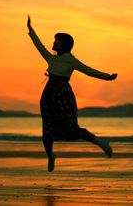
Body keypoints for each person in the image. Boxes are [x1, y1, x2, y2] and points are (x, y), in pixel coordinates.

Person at [27, 15, 118, 172]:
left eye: (57, 40)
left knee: (72, 129)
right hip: (48, 96)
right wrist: (31, 30)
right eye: (55, 39)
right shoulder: (51, 58)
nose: (54, 42)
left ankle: (102, 143)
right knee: (47, 129)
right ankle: (50, 156)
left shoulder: (71, 60)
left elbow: (88, 70)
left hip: (62, 96)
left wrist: (107, 77)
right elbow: (39, 46)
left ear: (64, 44)